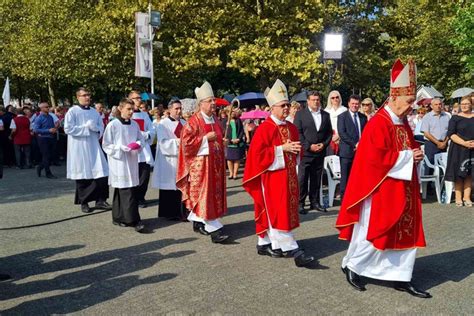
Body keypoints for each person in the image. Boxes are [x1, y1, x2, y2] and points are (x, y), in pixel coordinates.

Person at [336, 59, 431, 298]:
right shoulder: (378, 123)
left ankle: (401, 276)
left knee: (404, 232)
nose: (412, 106)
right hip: (379, 190)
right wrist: (409, 156)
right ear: (394, 98)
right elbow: (373, 159)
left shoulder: (403, 124)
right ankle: (354, 267)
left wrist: (415, 155)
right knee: (376, 230)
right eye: (409, 101)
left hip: (404, 187)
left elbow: (407, 150)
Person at [243, 79, 315, 267]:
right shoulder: (265, 128)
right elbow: (257, 156)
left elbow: (296, 149)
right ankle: (292, 248)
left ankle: (266, 243)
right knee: (278, 210)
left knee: (282, 210)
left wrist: (296, 150)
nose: (286, 108)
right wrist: (281, 149)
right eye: (282, 105)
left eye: (287, 105)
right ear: (272, 107)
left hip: (289, 175)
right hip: (272, 177)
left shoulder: (291, 127)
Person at [176, 81, 229, 243]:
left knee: (212, 195)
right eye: (210, 101)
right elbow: (186, 144)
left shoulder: (215, 120)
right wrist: (205, 139)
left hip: (216, 165)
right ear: (201, 104)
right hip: (201, 167)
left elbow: (217, 139)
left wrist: (223, 142)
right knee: (204, 196)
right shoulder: (193, 122)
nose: (214, 104)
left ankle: (198, 221)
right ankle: (214, 230)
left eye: (214, 100)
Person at [102, 98, 146, 232]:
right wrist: (120, 148)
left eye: (132, 109)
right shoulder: (113, 125)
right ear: (120, 109)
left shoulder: (134, 125)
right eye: (128, 109)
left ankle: (118, 217)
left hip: (131, 160)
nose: (131, 112)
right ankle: (133, 220)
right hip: (119, 161)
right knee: (126, 190)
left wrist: (138, 144)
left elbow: (141, 139)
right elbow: (106, 144)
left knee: (125, 190)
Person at [64, 87, 110, 213]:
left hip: (93, 146)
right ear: (78, 97)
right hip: (79, 147)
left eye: (88, 95)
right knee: (83, 175)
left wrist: (96, 129)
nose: (87, 97)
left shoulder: (94, 112)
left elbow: (101, 127)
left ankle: (101, 200)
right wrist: (86, 128)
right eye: (84, 95)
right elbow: (68, 129)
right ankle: (84, 202)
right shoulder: (72, 111)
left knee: (101, 173)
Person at [294, 91, 332, 214]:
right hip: (306, 152)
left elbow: (329, 133)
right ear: (308, 101)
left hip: (320, 152)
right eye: (313, 99)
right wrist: (309, 146)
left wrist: (324, 144)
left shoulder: (326, 115)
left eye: (317, 99)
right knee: (303, 178)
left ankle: (314, 202)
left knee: (316, 178)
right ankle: (300, 203)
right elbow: (298, 133)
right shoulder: (300, 115)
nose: (316, 101)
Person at [152, 99, 187, 220]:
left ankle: (183, 212)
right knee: (170, 187)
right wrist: (179, 142)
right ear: (170, 109)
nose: (179, 111)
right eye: (176, 108)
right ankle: (170, 213)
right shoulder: (163, 124)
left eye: (180, 108)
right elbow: (163, 143)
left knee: (182, 185)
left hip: (182, 159)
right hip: (169, 160)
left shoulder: (184, 122)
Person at [444, 96, 474, 207]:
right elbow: (451, 134)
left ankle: (467, 197)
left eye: (467, 103)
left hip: (472, 149)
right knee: (458, 173)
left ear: (471, 104)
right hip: (458, 149)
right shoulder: (455, 118)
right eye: (463, 104)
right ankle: (458, 197)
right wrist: (464, 143)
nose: (464, 106)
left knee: (469, 173)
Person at [337, 95, 367, 199]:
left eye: (357, 104)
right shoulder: (342, 117)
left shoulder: (363, 117)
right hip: (347, 152)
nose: (355, 105)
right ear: (349, 104)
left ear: (359, 105)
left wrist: (361, 144)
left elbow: (365, 133)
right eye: (353, 103)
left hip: (360, 152)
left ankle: (356, 197)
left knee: (358, 176)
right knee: (345, 177)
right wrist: (355, 144)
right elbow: (342, 133)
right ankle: (344, 197)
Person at [128, 92, 155, 208]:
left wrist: (147, 134)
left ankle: (141, 197)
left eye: (139, 98)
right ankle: (132, 198)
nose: (139, 99)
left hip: (144, 150)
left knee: (144, 175)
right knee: (133, 175)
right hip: (132, 149)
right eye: (136, 98)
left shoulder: (144, 115)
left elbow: (152, 130)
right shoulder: (127, 115)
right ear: (129, 99)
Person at [420, 97, 450, 167]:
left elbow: (450, 130)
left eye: (440, 104)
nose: (438, 106)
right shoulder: (427, 117)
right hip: (431, 144)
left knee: (443, 165)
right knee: (430, 165)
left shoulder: (447, 116)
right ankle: (429, 177)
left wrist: (445, 142)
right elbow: (426, 133)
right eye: (436, 104)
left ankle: (441, 178)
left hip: (444, 144)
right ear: (431, 106)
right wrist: (438, 143)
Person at [32, 102, 57, 179]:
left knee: (51, 155)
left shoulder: (50, 117)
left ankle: (40, 167)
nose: (48, 108)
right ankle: (48, 173)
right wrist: (48, 131)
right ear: (42, 108)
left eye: (48, 107)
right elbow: (35, 130)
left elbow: (52, 126)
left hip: (51, 137)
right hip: (43, 139)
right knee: (46, 156)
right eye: (46, 107)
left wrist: (54, 129)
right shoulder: (39, 118)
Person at [223, 108, 245, 179]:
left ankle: (235, 174)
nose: (233, 113)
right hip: (229, 143)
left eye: (233, 112)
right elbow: (224, 133)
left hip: (237, 142)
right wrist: (230, 140)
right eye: (231, 111)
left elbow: (242, 130)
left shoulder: (238, 120)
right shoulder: (225, 121)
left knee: (237, 159)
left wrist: (239, 138)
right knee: (229, 159)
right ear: (227, 112)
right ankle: (231, 173)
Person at [324, 90, 347, 155]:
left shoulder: (344, 110)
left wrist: (338, 135)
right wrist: (332, 136)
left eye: (337, 97)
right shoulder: (326, 111)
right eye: (333, 98)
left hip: (342, 139)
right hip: (330, 139)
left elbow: (346, 125)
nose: (335, 99)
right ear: (330, 99)